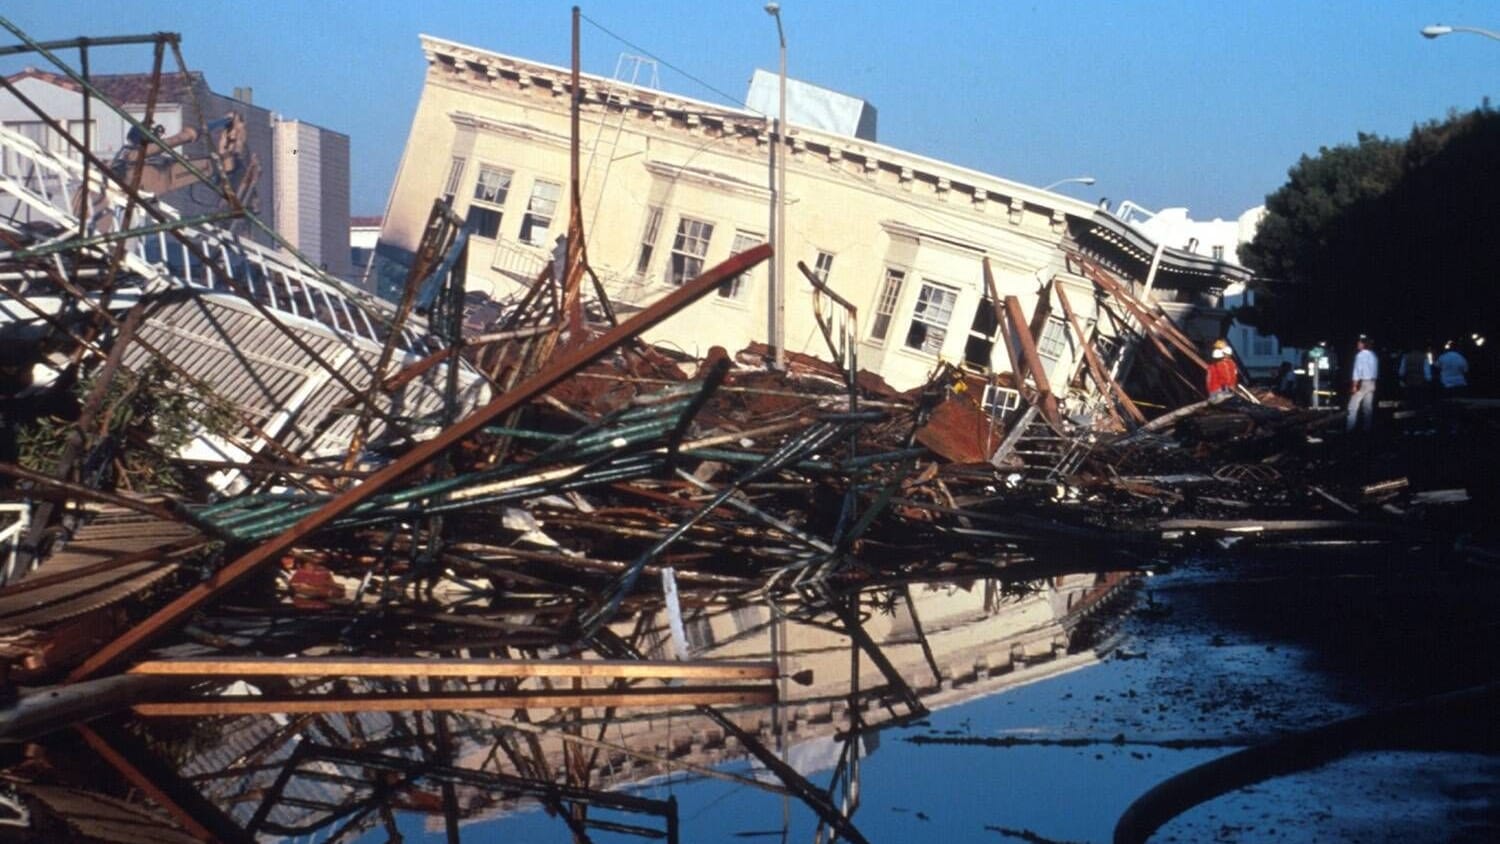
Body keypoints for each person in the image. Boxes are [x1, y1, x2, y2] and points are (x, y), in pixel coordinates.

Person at [1346, 334, 1378, 432]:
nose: (1357, 344)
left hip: (1362, 382)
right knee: (1368, 408)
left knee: (1352, 407)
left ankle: (1350, 428)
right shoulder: (1373, 355)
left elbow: (1357, 371)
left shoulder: (1360, 355)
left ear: (1363, 344)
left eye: (1359, 342)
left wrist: (1354, 385)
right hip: (1372, 382)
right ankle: (1367, 429)